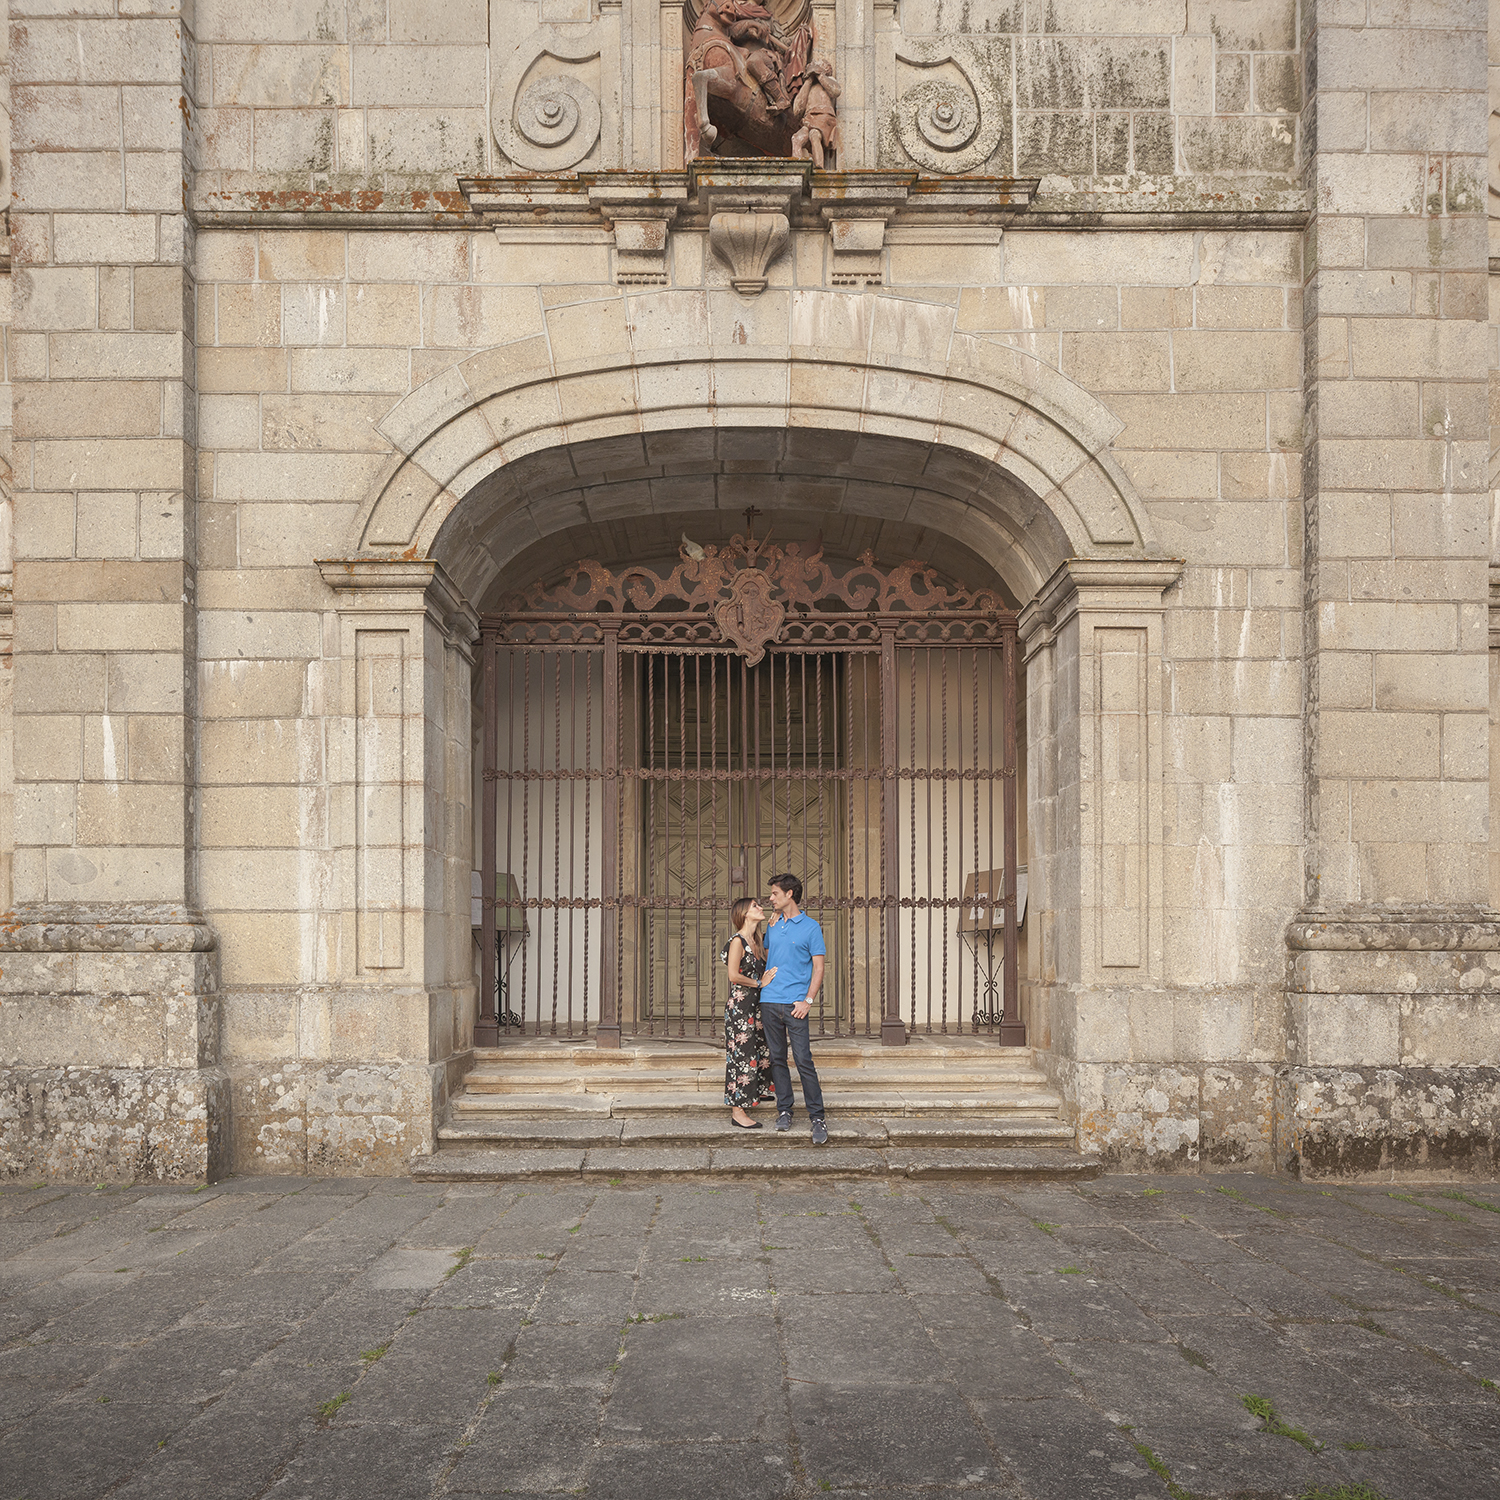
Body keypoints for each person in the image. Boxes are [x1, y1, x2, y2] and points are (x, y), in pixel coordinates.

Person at [761, 873, 829, 1145]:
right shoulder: (774, 925)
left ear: (790, 894)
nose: (770, 898)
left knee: (803, 1060)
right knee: (777, 1058)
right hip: (769, 1001)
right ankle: (784, 1110)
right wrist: (768, 927)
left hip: (795, 1004)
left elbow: (819, 967)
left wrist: (808, 1000)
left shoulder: (811, 927)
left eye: (775, 893)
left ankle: (817, 1116)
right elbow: (767, 956)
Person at [722, 897, 777, 1129]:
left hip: (756, 1006)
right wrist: (760, 983)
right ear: (744, 913)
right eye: (755, 905)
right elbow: (733, 976)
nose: (760, 907)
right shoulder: (737, 941)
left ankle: (759, 1090)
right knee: (741, 1057)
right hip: (741, 1007)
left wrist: (773, 928)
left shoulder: (757, 940)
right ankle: (738, 1111)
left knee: (761, 1050)